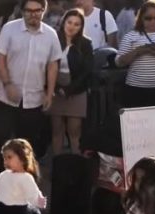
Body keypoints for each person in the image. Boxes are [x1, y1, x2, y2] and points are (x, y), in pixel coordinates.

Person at [0, 0, 62, 171]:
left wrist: (49, 92)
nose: (33, 14)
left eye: (37, 10)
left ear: (44, 11)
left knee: (27, 144)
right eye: (29, 11)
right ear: (22, 11)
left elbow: (52, 65)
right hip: (6, 97)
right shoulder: (9, 29)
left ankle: (24, 182)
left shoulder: (51, 35)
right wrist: (7, 84)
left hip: (33, 98)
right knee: (0, 140)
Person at [51, 8, 93, 156]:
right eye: (69, 22)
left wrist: (69, 90)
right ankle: (57, 167)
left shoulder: (86, 43)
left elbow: (87, 71)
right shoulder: (53, 39)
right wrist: (55, 88)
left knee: (74, 130)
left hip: (76, 90)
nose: (72, 26)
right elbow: (46, 66)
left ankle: (76, 165)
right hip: (55, 90)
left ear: (81, 27)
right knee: (57, 130)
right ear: (64, 22)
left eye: (77, 24)